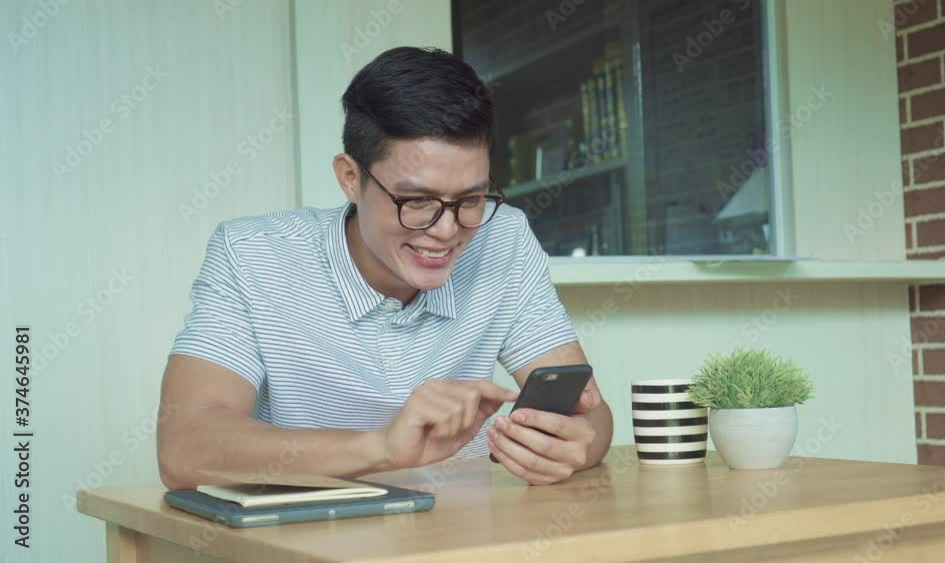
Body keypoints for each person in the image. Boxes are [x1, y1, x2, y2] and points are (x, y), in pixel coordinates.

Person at [156, 46, 612, 489]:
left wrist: (573, 445)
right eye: (416, 201)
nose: (446, 230)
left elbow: (592, 413)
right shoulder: (252, 254)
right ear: (350, 178)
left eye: (471, 199)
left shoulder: (502, 238)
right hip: (310, 532)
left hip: (466, 532)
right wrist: (383, 448)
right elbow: (184, 449)